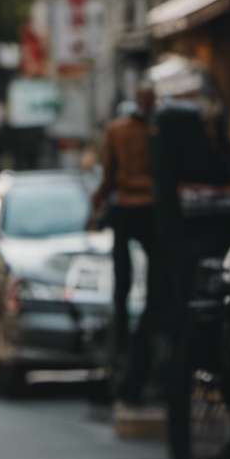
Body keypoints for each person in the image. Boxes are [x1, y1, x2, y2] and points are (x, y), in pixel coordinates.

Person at [89, 82, 159, 406]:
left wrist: (98, 202)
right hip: (146, 209)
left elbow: (108, 175)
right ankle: (123, 347)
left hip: (129, 209)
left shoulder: (120, 130)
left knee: (125, 284)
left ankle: (123, 347)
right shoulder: (154, 130)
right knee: (135, 281)